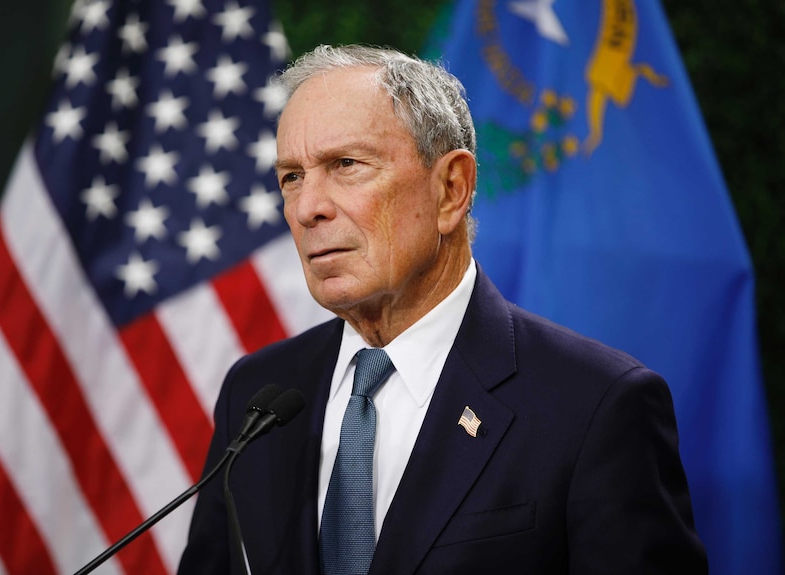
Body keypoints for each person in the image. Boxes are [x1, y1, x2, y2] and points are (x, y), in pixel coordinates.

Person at [178, 44, 707, 574]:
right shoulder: (257, 396)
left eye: (346, 164)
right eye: (292, 177)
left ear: (451, 189)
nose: (307, 208)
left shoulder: (595, 405)